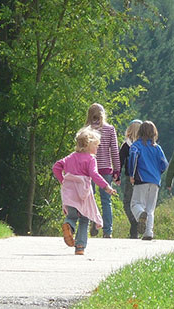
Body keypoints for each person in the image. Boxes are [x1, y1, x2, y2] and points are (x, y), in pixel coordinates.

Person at [52, 127, 117, 255]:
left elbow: (56, 167)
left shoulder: (70, 157)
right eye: (96, 145)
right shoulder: (90, 159)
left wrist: (63, 180)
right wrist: (106, 187)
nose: (97, 148)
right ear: (88, 145)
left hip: (69, 192)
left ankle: (68, 226)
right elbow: (94, 174)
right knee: (84, 218)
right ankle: (80, 246)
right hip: (83, 193)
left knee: (71, 216)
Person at [128, 121, 169, 240]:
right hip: (155, 180)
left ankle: (140, 214)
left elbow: (133, 159)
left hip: (141, 179)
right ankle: (148, 232)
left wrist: (132, 174)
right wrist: (157, 173)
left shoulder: (136, 146)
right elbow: (164, 164)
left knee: (135, 204)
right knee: (150, 208)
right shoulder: (157, 148)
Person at [85, 103, 121, 239]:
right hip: (105, 168)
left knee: (90, 198)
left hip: (88, 168)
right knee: (106, 200)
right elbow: (115, 151)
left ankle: (93, 222)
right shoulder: (110, 129)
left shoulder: (86, 130)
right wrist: (117, 170)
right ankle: (108, 231)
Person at [118, 119, 142, 239]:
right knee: (139, 203)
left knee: (127, 203)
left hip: (130, 177)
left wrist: (117, 176)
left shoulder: (126, 145)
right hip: (144, 178)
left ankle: (134, 223)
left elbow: (120, 162)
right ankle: (137, 229)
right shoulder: (145, 145)